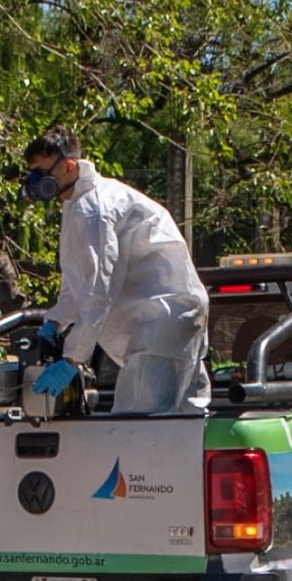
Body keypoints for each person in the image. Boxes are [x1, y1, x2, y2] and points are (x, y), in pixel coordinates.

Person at [23, 127, 210, 414]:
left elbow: (99, 288)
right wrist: (55, 321)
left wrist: (73, 358)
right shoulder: (77, 205)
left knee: (137, 428)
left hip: (161, 318)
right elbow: (77, 283)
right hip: (169, 317)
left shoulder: (95, 208)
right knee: (185, 424)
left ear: (69, 166)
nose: (34, 182)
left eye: (40, 172)